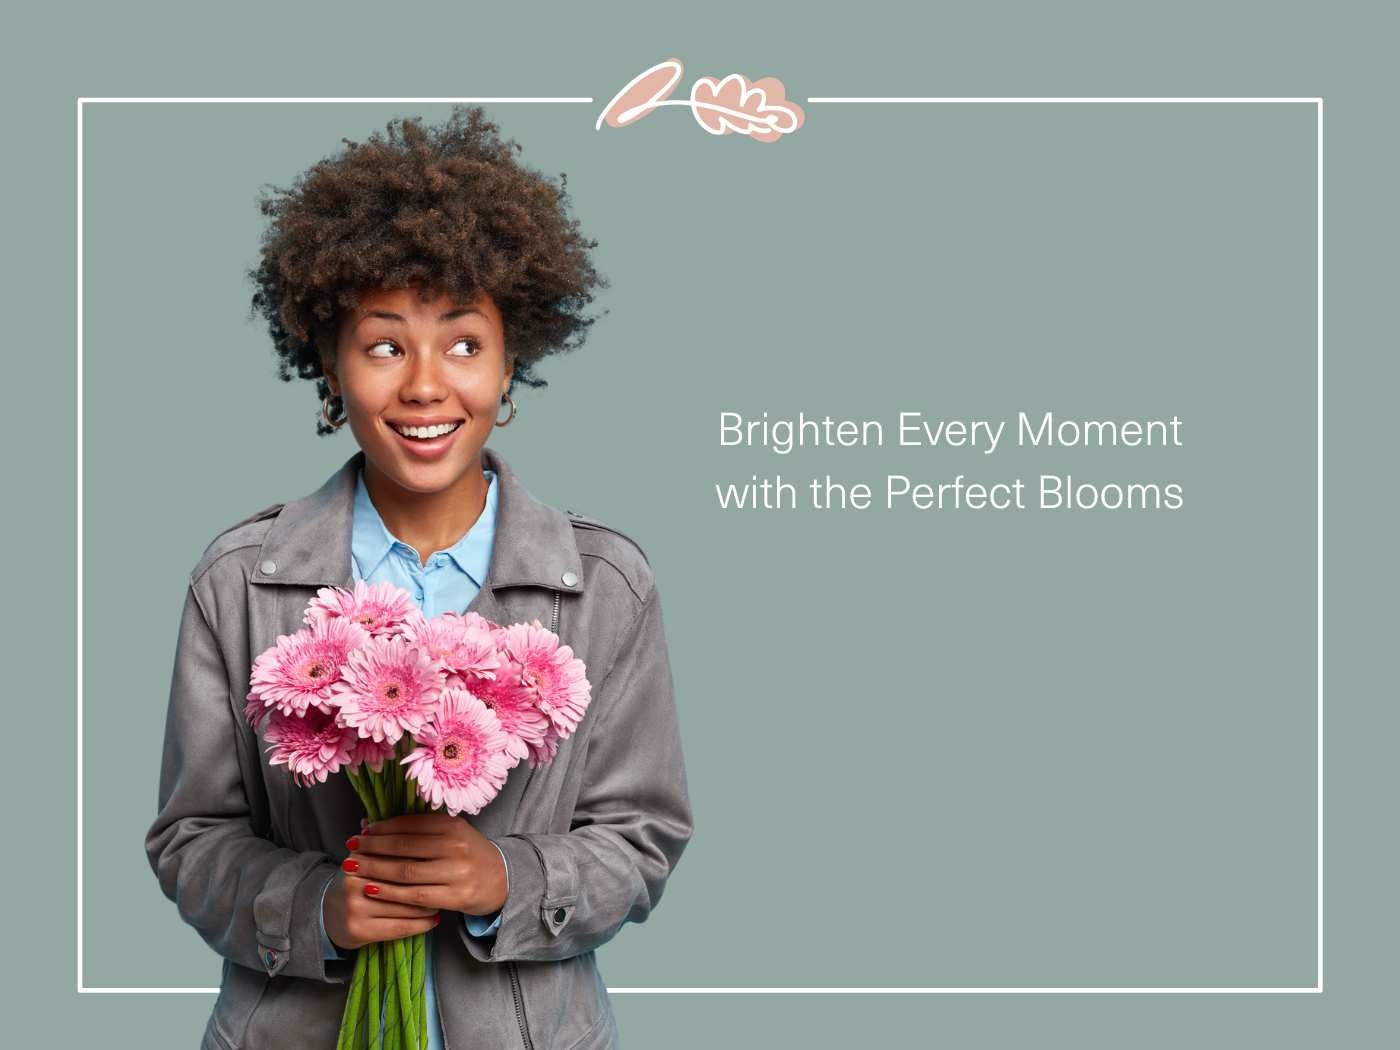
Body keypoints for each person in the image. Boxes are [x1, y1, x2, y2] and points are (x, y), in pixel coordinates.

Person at [145, 106, 693, 1050]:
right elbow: (191, 839)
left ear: (514, 358)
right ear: (332, 363)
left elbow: (641, 837)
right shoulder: (239, 581)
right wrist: (317, 906)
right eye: (386, 344)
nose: (427, 386)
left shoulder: (606, 584)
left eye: (465, 344)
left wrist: (506, 881)